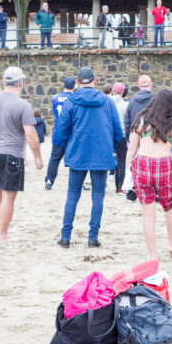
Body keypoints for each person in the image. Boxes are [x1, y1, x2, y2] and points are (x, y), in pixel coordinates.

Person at [53, 67, 124, 248]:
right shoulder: (107, 102)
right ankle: (92, 237)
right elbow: (118, 131)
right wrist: (110, 147)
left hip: (78, 153)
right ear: (95, 80)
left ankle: (65, 236)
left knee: (72, 195)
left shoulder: (71, 102)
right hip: (101, 153)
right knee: (98, 197)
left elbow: (60, 131)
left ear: (78, 82)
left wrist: (66, 146)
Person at [0, 66, 43, 240]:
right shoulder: (22, 105)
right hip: (11, 153)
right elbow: (30, 134)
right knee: (9, 196)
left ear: (4, 81)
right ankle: (3, 233)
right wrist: (37, 157)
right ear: (21, 83)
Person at [126, 89, 172, 259]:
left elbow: (131, 150)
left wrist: (127, 177)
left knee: (148, 215)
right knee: (169, 208)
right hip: (164, 165)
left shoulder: (141, 119)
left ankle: (152, 254)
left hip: (142, 164)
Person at [44, 76, 75, 189]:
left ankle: (49, 180)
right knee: (73, 159)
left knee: (55, 158)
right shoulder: (75, 98)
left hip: (58, 132)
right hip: (71, 133)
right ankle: (76, 182)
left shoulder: (55, 98)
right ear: (74, 87)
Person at [110, 82, 129, 193]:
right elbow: (127, 121)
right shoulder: (125, 105)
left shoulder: (106, 102)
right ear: (122, 93)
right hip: (121, 135)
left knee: (106, 159)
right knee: (122, 161)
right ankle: (120, 187)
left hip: (108, 135)